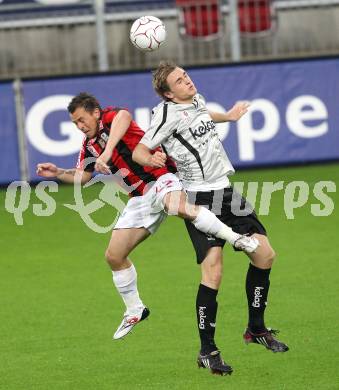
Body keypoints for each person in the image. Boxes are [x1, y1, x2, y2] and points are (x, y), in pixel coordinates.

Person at [36, 92, 258, 341]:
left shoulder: (112, 117)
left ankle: (236, 237)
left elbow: (124, 116)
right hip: (139, 198)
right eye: (75, 123)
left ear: (96, 113)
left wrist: (107, 152)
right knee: (114, 256)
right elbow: (82, 177)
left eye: (81, 119)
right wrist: (57, 172)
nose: (79, 126)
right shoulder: (89, 145)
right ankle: (135, 309)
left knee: (180, 207)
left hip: (162, 176)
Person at [133, 61, 289, 376]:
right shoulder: (164, 114)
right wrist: (152, 157)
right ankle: (208, 351)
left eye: (186, 75)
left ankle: (256, 329)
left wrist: (228, 116)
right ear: (167, 92)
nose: (187, 80)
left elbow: (203, 115)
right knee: (213, 272)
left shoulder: (196, 99)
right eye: (180, 80)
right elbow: (139, 151)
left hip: (226, 193)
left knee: (265, 255)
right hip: (198, 197)